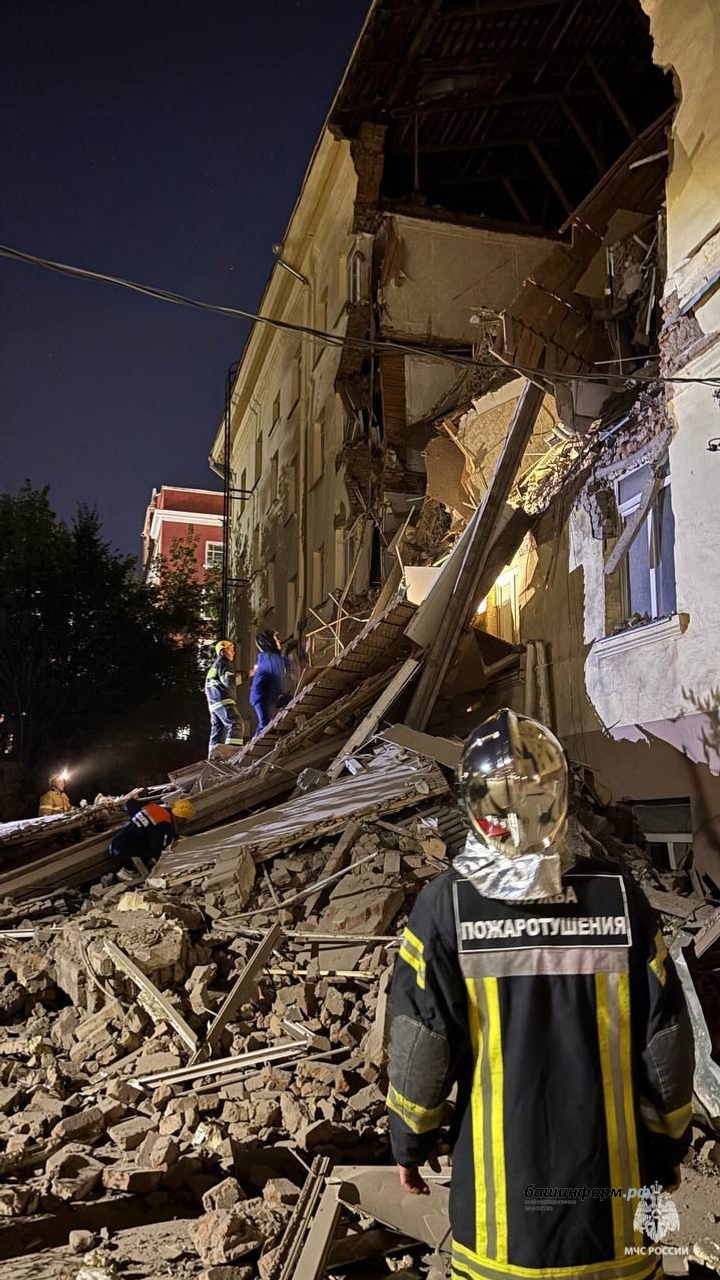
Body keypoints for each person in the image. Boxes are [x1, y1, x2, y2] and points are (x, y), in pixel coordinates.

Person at [387, 708, 694, 1280]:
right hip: (614, 1222)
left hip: (501, 1233)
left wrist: (410, 1142)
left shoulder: (446, 907)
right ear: (560, 797)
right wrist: (668, 1146)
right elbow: (666, 1045)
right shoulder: (619, 897)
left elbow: (421, 1046)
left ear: (473, 806)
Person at [108, 791, 194, 866]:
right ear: (180, 818)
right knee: (154, 851)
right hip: (123, 853)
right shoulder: (164, 826)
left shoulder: (155, 808)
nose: (185, 823)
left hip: (114, 845)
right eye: (184, 820)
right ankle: (130, 870)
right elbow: (158, 848)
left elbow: (130, 803)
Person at [205, 639, 243, 756]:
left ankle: (212, 757)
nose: (233, 653)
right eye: (230, 650)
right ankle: (231, 753)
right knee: (235, 723)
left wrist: (247, 674)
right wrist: (247, 674)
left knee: (217, 730)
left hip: (213, 704)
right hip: (223, 701)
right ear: (222, 652)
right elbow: (229, 681)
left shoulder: (214, 667)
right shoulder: (224, 663)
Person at [249, 630, 287, 734]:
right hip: (262, 698)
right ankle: (256, 743)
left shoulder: (270, 657)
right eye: (276, 640)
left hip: (267, 696)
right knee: (265, 725)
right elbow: (281, 669)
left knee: (265, 723)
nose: (279, 641)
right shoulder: (269, 657)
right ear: (269, 643)